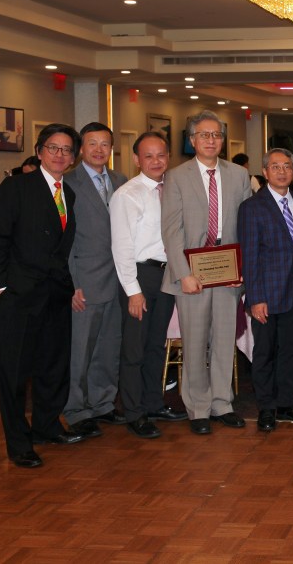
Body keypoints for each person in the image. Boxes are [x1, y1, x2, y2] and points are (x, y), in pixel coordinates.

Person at [0, 123, 86, 468]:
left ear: (73, 158)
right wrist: (1, 287)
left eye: (67, 150)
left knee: (53, 367)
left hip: (55, 294)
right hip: (19, 295)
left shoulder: (68, 193)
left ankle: (46, 426)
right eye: (53, 148)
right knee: (14, 373)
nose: (60, 155)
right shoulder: (17, 187)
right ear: (40, 151)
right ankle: (18, 443)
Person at [161, 111, 252, 435]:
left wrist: (244, 268)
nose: (211, 140)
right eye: (204, 135)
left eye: (216, 135)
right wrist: (183, 273)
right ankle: (198, 407)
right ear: (192, 140)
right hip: (192, 273)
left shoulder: (239, 175)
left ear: (223, 141)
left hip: (228, 269)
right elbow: (171, 230)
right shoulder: (176, 176)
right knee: (195, 342)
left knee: (225, 340)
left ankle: (222, 403)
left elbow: (247, 225)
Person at [110, 131, 187, 439]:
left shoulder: (173, 190)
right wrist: (133, 291)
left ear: (169, 157)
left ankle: (153, 403)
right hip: (140, 276)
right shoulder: (127, 195)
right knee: (134, 348)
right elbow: (121, 247)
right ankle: (134, 412)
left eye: (161, 155)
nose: (156, 161)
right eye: (148, 156)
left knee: (156, 344)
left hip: (167, 275)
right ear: (136, 159)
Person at [238, 148, 293, 432]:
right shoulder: (251, 207)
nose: (282, 172)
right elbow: (249, 256)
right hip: (267, 295)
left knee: (292, 351)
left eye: (287, 166)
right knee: (265, 353)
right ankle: (266, 407)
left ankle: (286, 401)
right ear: (265, 171)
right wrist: (255, 298)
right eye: (275, 167)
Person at [64, 122, 129, 438]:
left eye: (105, 144)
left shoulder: (121, 180)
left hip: (118, 280)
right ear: (81, 148)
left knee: (108, 346)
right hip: (85, 281)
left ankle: (103, 403)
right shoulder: (67, 183)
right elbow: (64, 239)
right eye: (92, 143)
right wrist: (71, 283)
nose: (99, 150)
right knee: (80, 349)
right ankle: (76, 410)